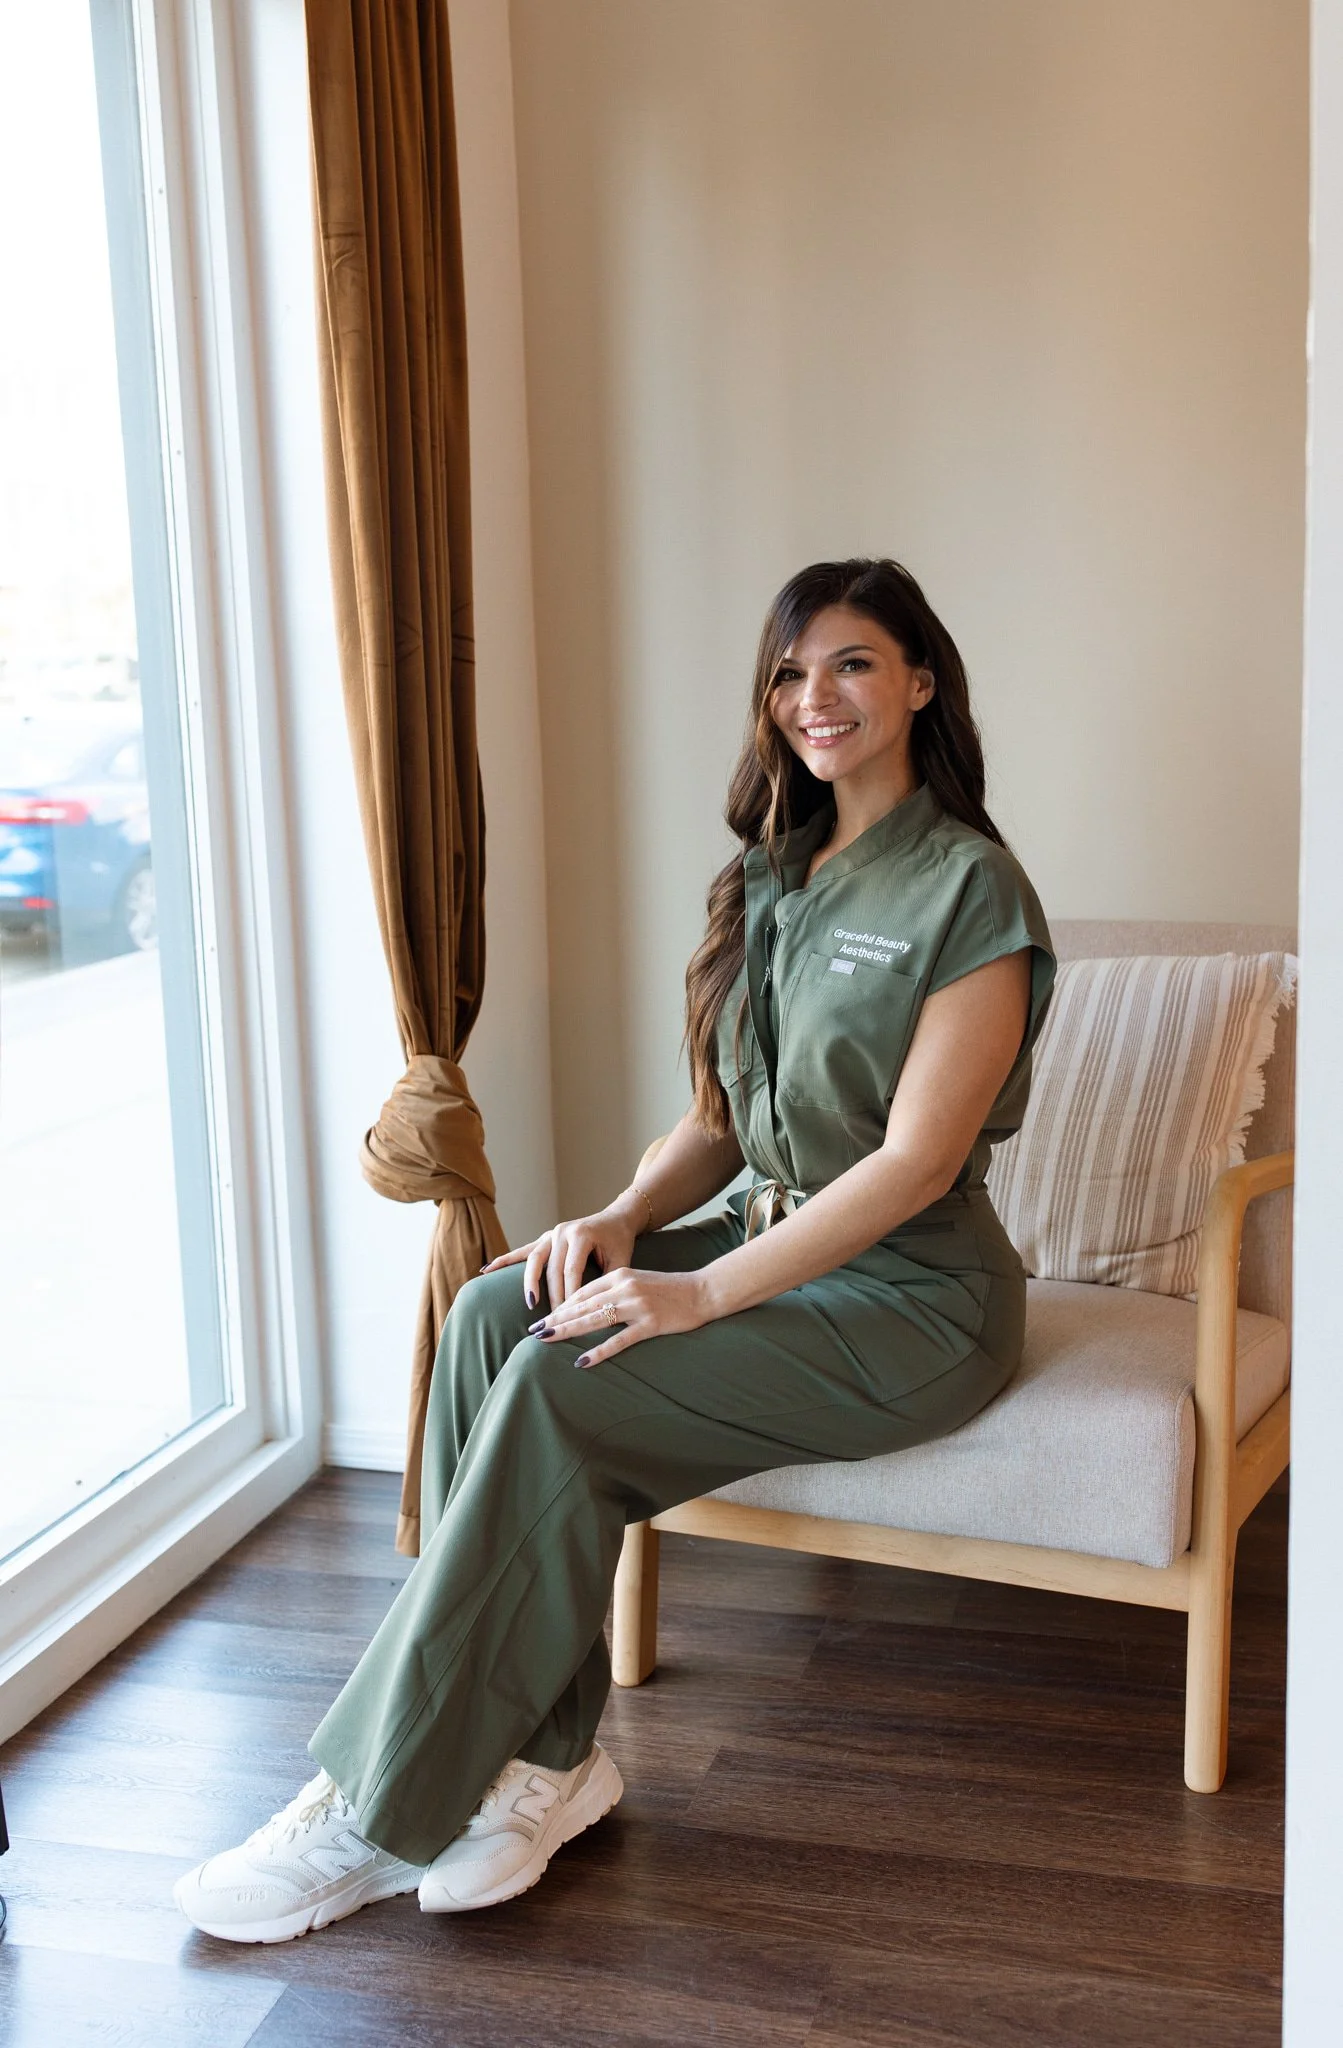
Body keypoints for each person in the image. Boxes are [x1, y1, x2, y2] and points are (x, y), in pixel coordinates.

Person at [175, 556, 1055, 1944]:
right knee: (495, 1312)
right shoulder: (771, 876)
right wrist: (623, 1217)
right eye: (788, 672)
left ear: (919, 683)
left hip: (912, 1299)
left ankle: (381, 1800)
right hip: (774, 1242)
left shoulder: (971, 891)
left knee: (562, 1376)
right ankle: (540, 1763)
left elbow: (913, 1166)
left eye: (851, 663)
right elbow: (718, 1118)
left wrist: (696, 1290)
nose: (814, 696)